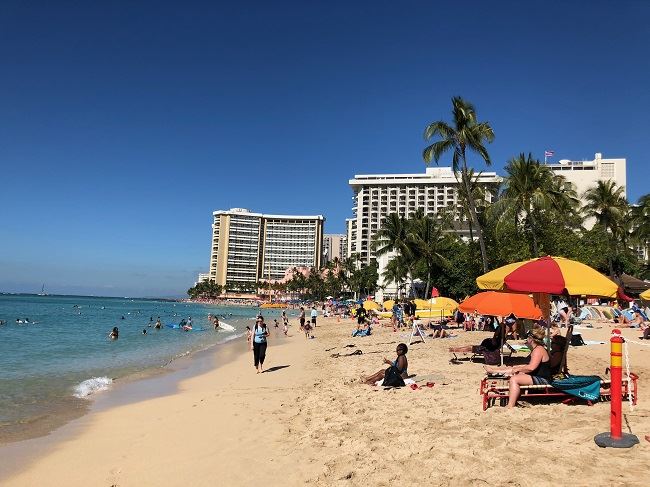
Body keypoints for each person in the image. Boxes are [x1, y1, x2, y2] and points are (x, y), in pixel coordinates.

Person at [484, 327, 551, 408]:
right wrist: (517, 368)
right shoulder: (537, 349)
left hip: (542, 379)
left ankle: (510, 405)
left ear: (531, 339)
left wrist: (517, 369)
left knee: (514, 379)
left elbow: (531, 368)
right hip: (537, 375)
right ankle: (496, 372)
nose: (527, 340)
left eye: (528, 338)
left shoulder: (538, 350)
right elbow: (530, 367)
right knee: (514, 372)